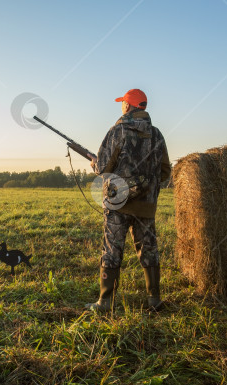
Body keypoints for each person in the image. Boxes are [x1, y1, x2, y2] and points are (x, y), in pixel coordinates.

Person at [85, 89, 171, 312]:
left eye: (123, 102)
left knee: (112, 249)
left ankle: (105, 302)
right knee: (149, 248)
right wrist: (146, 187)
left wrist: (94, 162)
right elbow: (165, 171)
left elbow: (103, 167)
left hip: (118, 204)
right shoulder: (157, 134)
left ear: (128, 106)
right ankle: (154, 299)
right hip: (147, 205)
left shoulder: (118, 131)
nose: (122, 105)